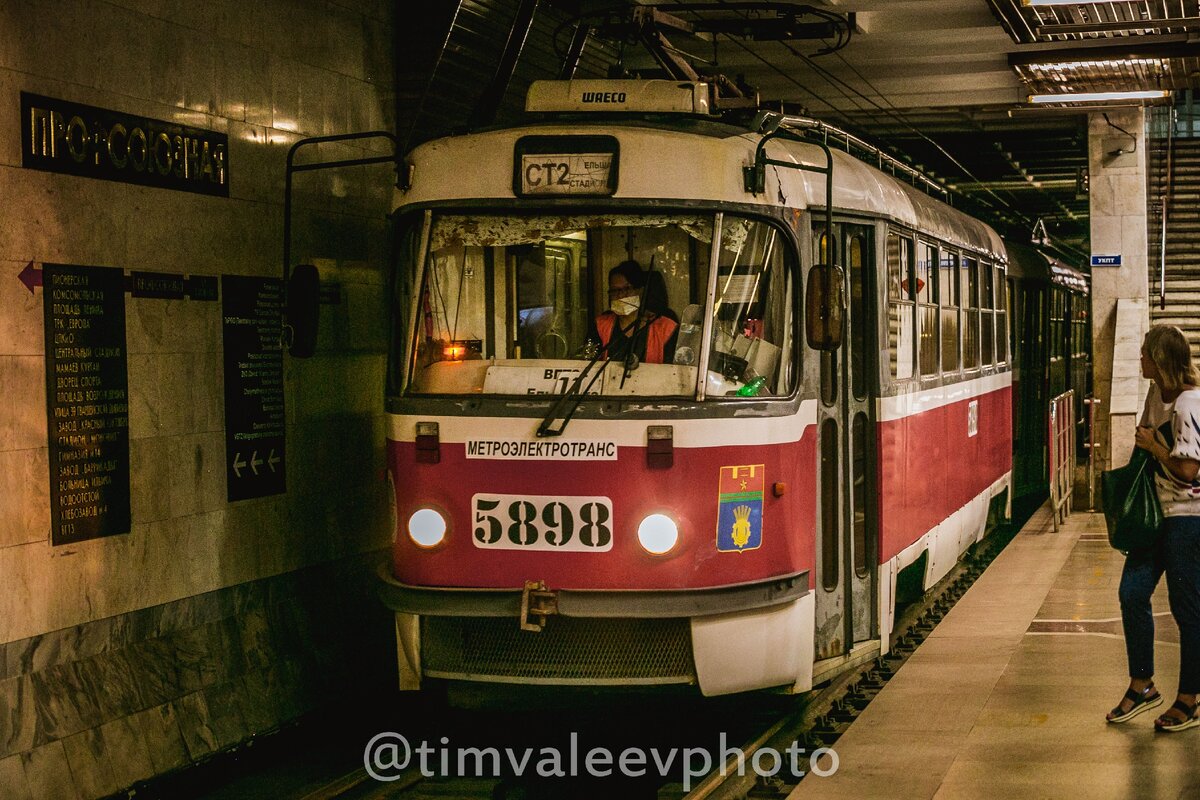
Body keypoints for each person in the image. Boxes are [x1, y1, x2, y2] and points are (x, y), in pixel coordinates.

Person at [1107, 325, 1200, 732]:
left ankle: (1190, 699)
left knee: (1187, 610)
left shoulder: (1189, 404)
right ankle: (1143, 685)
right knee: (1132, 593)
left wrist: (1153, 447)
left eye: (1145, 353)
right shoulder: (1155, 395)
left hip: (1187, 517)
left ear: (1161, 358)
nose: (1140, 358)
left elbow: (1187, 471)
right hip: (1156, 516)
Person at [589, 260, 678, 365]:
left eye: (627, 289)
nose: (620, 295)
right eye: (614, 290)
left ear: (640, 291)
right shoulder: (600, 325)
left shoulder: (666, 328)